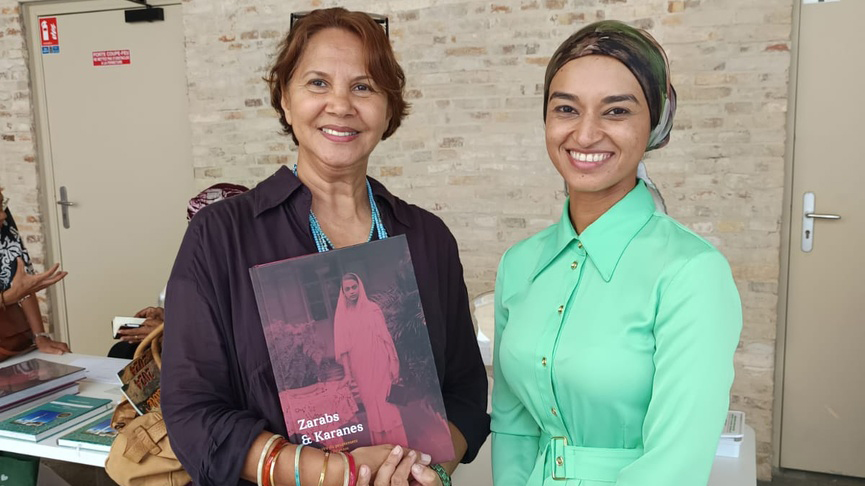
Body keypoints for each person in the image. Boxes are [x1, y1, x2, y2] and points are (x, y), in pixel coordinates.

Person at [161, 8, 489, 486]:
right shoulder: (221, 236)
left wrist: (427, 471)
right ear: (285, 101)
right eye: (317, 83)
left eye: (363, 86)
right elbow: (193, 414)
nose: (341, 105)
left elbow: (463, 390)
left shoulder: (427, 238)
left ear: (389, 109)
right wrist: (336, 474)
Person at [491, 21, 743, 485]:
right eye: (566, 108)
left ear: (655, 124)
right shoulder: (518, 264)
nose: (585, 135)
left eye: (616, 111)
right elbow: (513, 426)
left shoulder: (692, 273)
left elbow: (676, 464)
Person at [109, 183, 249, 359]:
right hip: (195, 350)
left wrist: (173, 333)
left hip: (229, 369)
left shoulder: (260, 272)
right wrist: (169, 318)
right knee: (123, 351)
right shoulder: (202, 264)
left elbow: (245, 338)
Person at [333, 272, 408, 447]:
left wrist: (393, 363)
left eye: (354, 287)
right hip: (360, 368)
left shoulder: (372, 309)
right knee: (371, 407)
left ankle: (399, 445)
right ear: (343, 292)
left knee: (386, 403)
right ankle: (381, 446)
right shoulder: (342, 316)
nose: (352, 291)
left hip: (380, 362)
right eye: (347, 289)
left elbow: (386, 338)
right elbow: (343, 349)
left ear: (360, 287)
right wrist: (347, 374)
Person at [0, 188, 70, 357]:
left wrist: (40, 336)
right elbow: (18, 291)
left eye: (2, 205)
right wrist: (9, 297)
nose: (3, 215)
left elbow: (21, 279)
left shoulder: (3, 219)